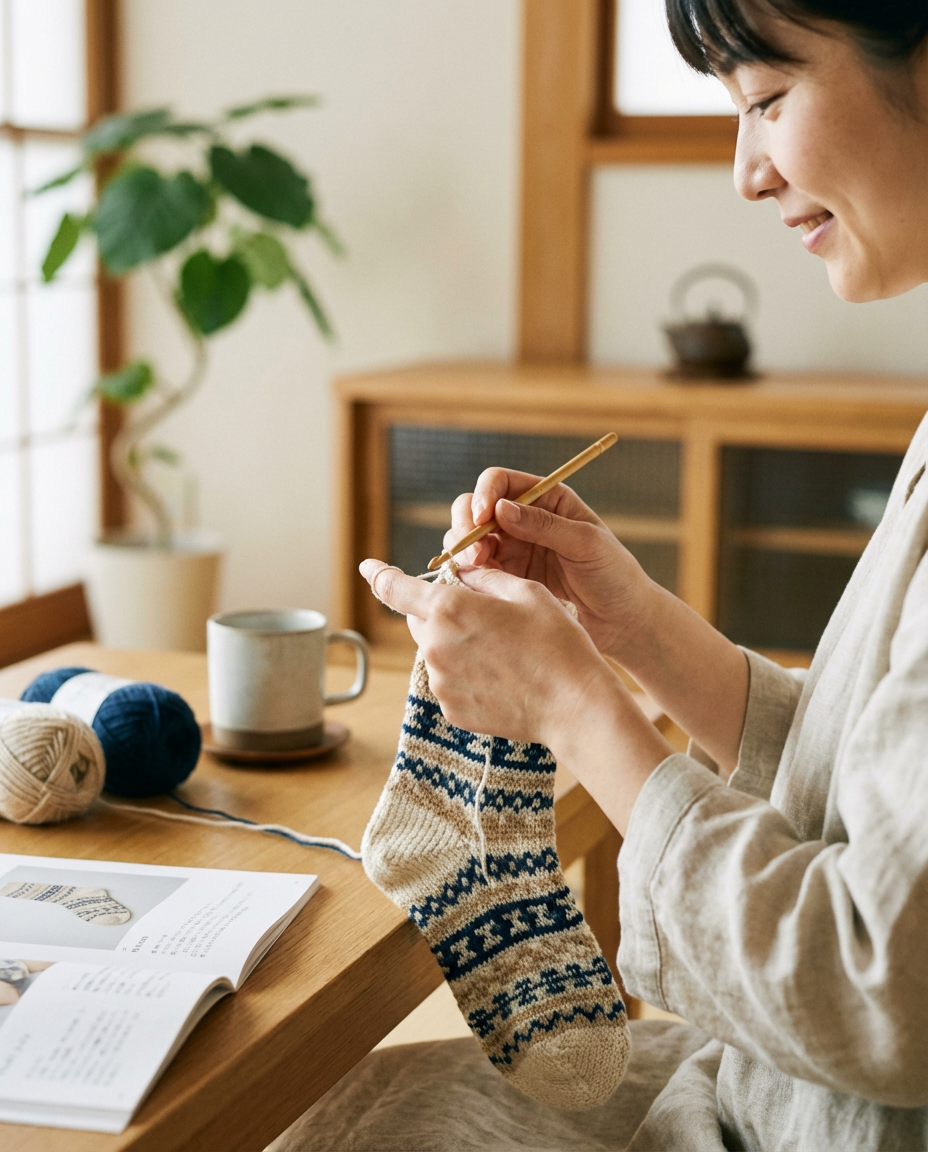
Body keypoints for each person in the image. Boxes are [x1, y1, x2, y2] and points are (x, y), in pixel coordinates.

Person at [269, 2, 928, 1148]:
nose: (746, 174)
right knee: (349, 1105)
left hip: (809, 1112)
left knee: (338, 1128)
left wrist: (572, 708)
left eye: (767, 99)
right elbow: (873, 785)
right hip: (766, 1092)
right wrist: (637, 633)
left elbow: (882, 993)